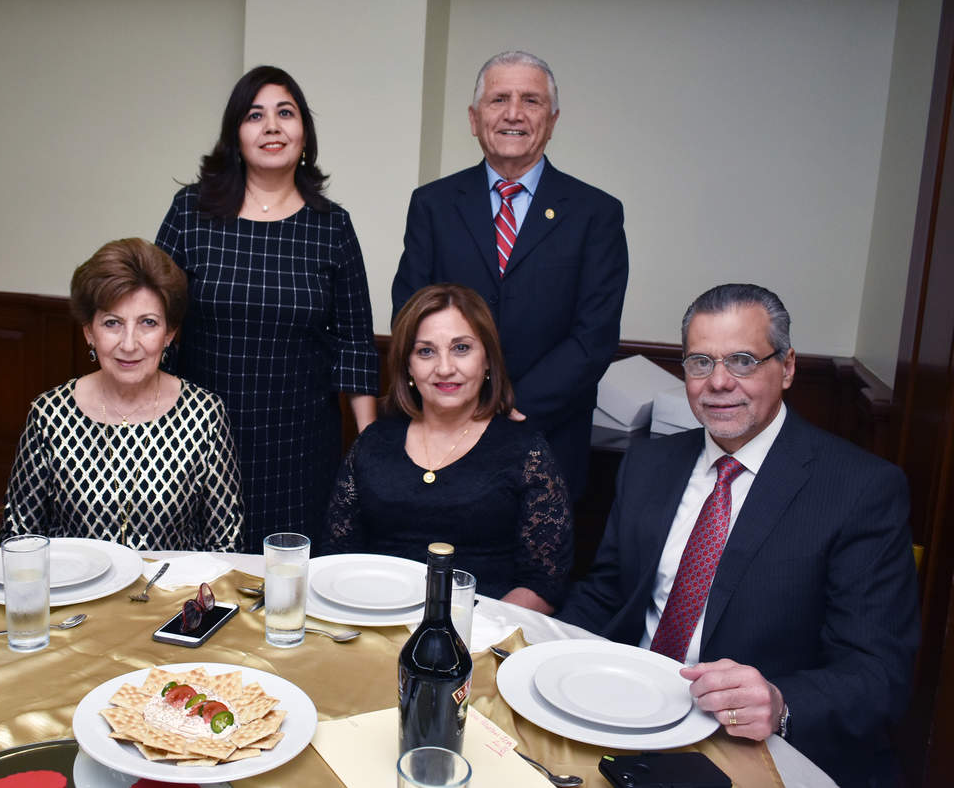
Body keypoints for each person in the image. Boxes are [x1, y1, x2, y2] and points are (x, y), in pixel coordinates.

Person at [557, 284, 919, 787]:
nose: (719, 382)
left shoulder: (859, 490)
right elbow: (606, 591)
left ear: (787, 367)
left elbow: (878, 674)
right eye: (700, 362)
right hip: (629, 710)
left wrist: (781, 702)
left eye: (743, 361)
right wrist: (546, 654)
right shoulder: (648, 463)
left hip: (749, 743)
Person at [156, 65, 379, 551]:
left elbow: (356, 343)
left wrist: (369, 446)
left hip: (299, 446)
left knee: (287, 577)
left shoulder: (332, 226)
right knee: (201, 577)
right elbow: (157, 321)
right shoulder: (191, 212)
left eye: (285, 113)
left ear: (304, 133)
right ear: (235, 135)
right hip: (197, 437)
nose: (272, 127)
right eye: (255, 115)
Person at [391, 50, 627, 504]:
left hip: (549, 437)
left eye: (531, 101)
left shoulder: (596, 213)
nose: (514, 113)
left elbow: (594, 335)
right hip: (445, 433)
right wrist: (461, 399)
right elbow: (410, 311)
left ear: (552, 120)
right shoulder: (433, 205)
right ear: (474, 118)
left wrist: (505, 406)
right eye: (499, 99)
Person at [324, 284, 571, 610]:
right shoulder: (372, 443)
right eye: (426, 352)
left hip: (483, 627)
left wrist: (472, 629)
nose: (444, 368)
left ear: (487, 359)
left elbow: (544, 582)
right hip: (373, 618)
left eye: (461, 348)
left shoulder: (526, 452)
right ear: (408, 366)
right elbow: (337, 556)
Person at [1, 238, 243, 552]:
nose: (129, 344)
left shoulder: (204, 414)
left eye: (148, 323)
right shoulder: (49, 414)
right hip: (72, 584)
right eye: (112, 323)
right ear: (89, 332)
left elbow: (226, 544)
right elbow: (18, 540)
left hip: (174, 584)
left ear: (169, 334)